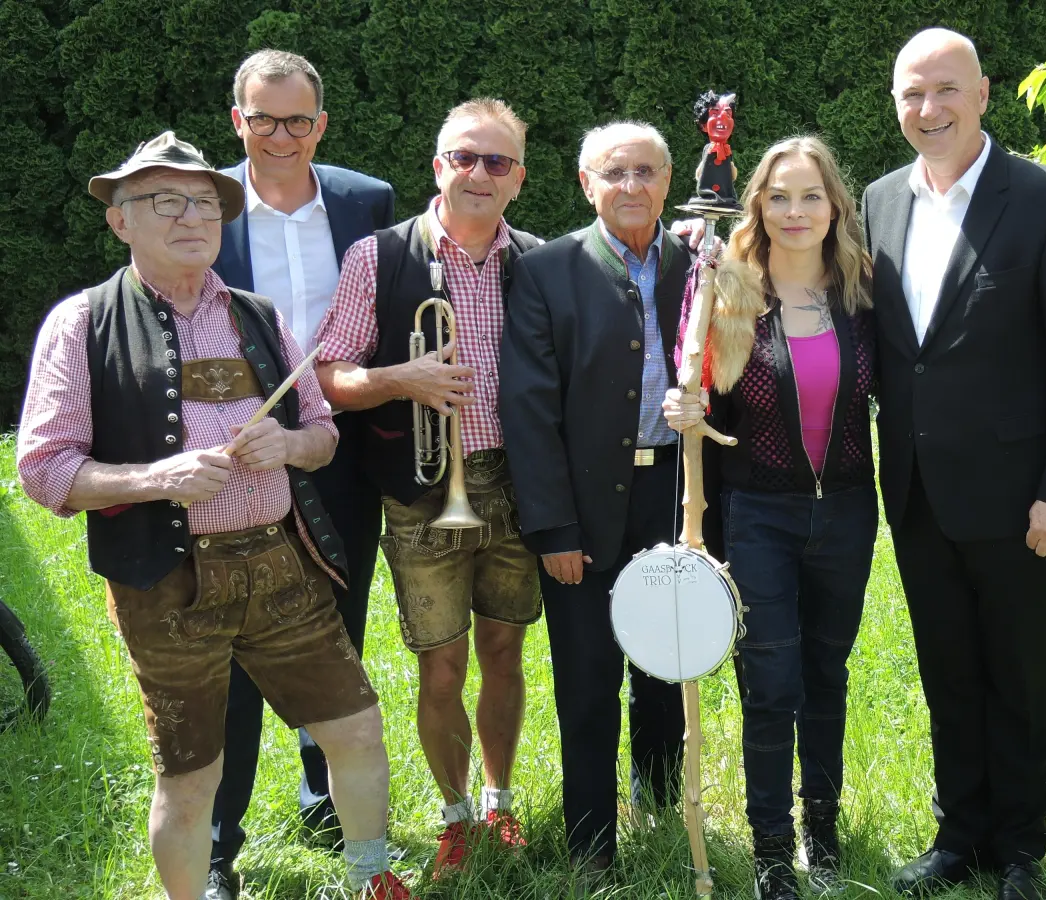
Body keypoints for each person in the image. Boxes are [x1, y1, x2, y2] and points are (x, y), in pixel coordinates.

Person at [15, 132, 406, 900]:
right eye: (163, 200)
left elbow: (326, 437)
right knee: (190, 775)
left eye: (203, 202)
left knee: (356, 730)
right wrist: (158, 477)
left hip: (278, 563)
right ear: (119, 221)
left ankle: (373, 882)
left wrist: (290, 443)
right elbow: (43, 468)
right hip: (166, 581)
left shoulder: (259, 316)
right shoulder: (81, 322)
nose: (190, 215)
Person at [860, 28, 1046, 900]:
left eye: (945, 91)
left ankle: (1019, 850)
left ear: (982, 94)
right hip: (919, 492)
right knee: (946, 667)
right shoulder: (878, 201)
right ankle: (958, 835)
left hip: (1020, 500)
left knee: (1018, 669)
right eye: (910, 94)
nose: (927, 110)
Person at [314, 98, 543, 878]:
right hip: (421, 495)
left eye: (497, 162)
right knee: (440, 666)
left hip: (514, 489)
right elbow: (327, 376)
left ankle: (499, 801)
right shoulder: (377, 257)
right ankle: (453, 816)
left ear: (518, 178)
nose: (479, 174)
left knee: (505, 652)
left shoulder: (538, 261)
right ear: (437, 166)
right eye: (464, 158)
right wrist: (396, 377)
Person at [663, 135, 877, 900]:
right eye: (779, 196)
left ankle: (823, 831)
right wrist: (679, 402)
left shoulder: (862, 291)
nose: (795, 211)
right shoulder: (729, 289)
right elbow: (696, 386)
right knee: (771, 682)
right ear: (757, 204)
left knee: (828, 674)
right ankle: (771, 853)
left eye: (810, 196)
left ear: (834, 207)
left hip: (850, 510)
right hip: (759, 512)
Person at [205, 49, 396, 898]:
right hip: (240, 446)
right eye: (262, 118)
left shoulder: (366, 202)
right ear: (236, 119)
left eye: (298, 120)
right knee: (232, 636)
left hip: (343, 441)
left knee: (337, 614)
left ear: (321, 123)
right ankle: (218, 839)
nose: (279, 136)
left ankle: (325, 788)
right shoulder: (200, 203)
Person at [499, 121, 692, 879]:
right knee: (587, 680)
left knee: (667, 672)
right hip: (581, 507)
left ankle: (665, 814)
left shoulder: (697, 264)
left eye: (646, 172)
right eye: (615, 173)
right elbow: (530, 410)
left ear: (668, 180)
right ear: (586, 184)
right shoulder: (547, 271)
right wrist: (551, 527)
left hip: (674, 496)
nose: (632, 187)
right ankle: (591, 848)